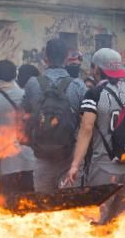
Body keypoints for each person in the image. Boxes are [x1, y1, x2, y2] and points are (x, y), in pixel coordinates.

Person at [63, 48, 125, 223]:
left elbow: (86, 129)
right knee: (123, 222)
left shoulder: (94, 94)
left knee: (96, 220)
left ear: (97, 70)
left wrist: (75, 165)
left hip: (103, 168)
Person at [22, 38, 87, 192]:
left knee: (45, 209)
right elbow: (86, 123)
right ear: (66, 57)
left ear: (45, 58)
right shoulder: (78, 85)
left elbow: (24, 117)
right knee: (70, 208)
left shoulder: (32, 84)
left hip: (42, 157)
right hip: (70, 159)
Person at [0, 59, 34, 194]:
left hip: (6, 164)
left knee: (10, 207)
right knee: (31, 205)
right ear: (15, 75)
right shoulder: (27, 96)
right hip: (30, 160)